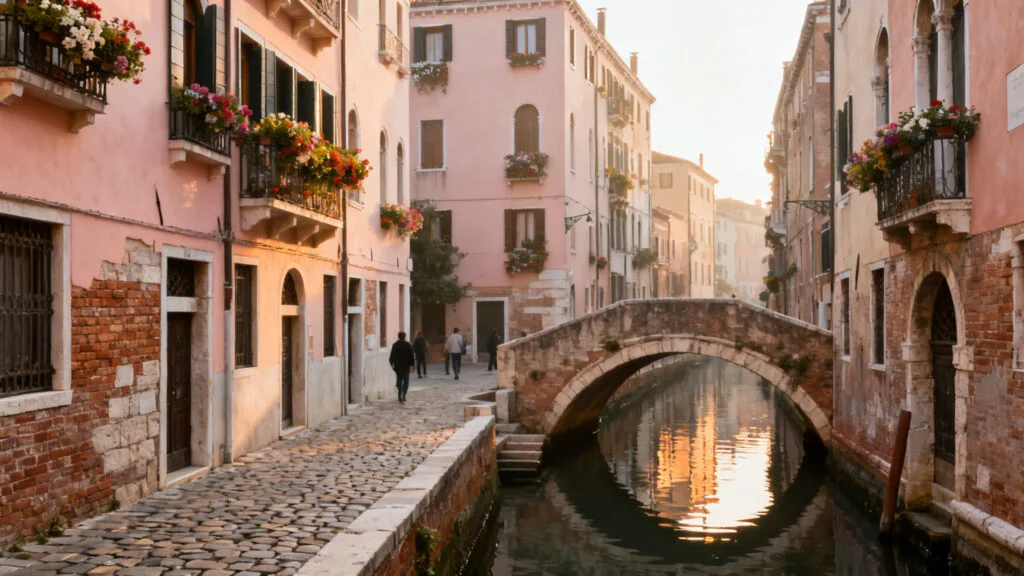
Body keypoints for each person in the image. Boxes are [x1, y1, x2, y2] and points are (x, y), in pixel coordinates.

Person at [389, 331, 415, 403]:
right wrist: (412, 365)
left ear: (398, 336)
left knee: (399, 380)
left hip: (398, 366)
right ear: (405, 336)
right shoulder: (408, 345)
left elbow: (391, 357)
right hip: (406, 366)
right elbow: (411, 356)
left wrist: (392, 365)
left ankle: (399, 393)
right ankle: (404, 393)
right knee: (406, 381)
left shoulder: (395, 345)